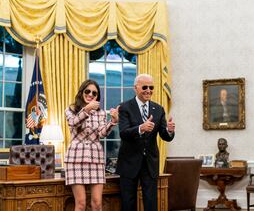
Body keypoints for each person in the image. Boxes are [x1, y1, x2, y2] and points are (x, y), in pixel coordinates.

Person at [117, 73, 175, 211]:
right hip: (129, 162)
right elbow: (123, 133)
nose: (148, 90)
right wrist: (140, 128)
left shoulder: (158, 109)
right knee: (128, 203)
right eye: (145, 87)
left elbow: (164, 136)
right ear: (135, 88)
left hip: (150, 163)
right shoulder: (125, 107)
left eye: (151, 87)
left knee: (151, 203)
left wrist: (170, 130)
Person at [64, 79, 119, 211]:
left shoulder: (100, 113)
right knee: (81, 203)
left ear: (97, 96)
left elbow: (102, 133)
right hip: (75, 160)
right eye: (87, 91)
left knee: (97, 203)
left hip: (96, 159)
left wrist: (112, 122)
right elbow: (73, 123)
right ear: (82, 92)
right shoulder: (70, 109)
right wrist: (86, 110)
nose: (90, 94)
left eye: (94, 93)